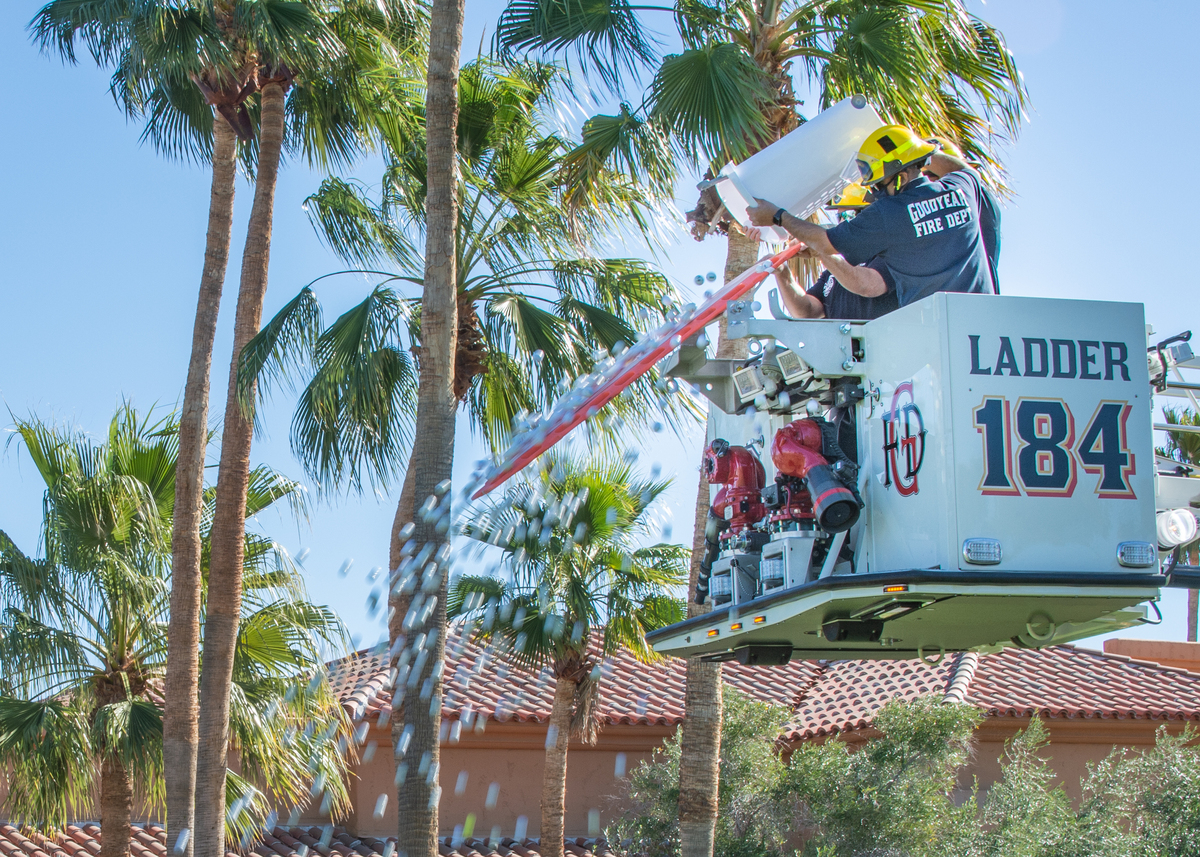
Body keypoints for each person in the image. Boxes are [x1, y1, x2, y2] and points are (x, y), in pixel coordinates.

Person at [746, 125, 996, 307]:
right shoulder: (962, 188)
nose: (876, 192)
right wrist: (921, 153)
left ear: (900, 177)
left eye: (878, 184)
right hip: (982, 319)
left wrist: (778, 216)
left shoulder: (889, 213)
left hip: (934, 327)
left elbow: (825, 242)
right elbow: (964, 169)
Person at [927, 137, 1001, 292]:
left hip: (971, 304)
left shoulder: (978, 197)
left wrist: (916, 153)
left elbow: (959, 173)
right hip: (944, 306)